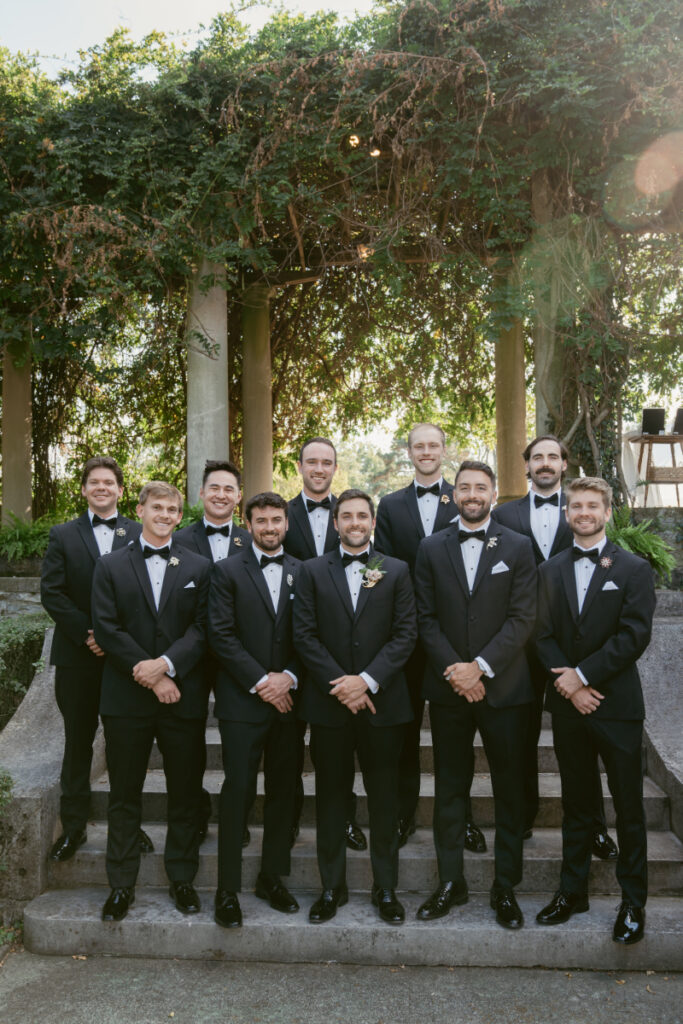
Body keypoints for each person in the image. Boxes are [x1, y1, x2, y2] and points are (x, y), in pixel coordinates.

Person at [415, 461, 537, 929]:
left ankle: (505, 887)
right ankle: (451, 882)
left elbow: (523, 617)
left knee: (508, 790)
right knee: (449, 789)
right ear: (454, 494)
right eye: (463, 487)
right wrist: (457, 672)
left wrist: (481, 668)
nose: (470, 494)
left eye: (479, 487)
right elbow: (425, 617)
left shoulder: (519, 547)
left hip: (504, 688)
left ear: (493, 492)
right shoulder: (430, 547)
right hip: (448, 691)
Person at [535, 477, 655, 945]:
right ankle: (572, 891)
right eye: (576, 506)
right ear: (567, 515)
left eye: (592, 505)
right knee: (577, 805)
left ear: (607, 512)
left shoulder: (634, 569)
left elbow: (633, 636)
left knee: (628, 808)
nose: (583, 512)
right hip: (568, 707)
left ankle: (633, 901)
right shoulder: (550, 571)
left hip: (617, 707)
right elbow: (539, 634)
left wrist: (582, 677)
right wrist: (569, 687)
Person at [293, 489, 416, 925]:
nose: (355, 522)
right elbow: (304, 635)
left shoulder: (395, 570)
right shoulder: (311, 570)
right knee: (330, 799)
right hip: (328, 706)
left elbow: (405, 635)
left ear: (373, 522)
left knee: (384, 800)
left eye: (362, 516)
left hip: (383, 706)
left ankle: (385, 889)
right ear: (335, 523)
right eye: (346, 516)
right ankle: (332, 888)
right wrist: (342, 685)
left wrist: (365, 681)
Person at [492, 435, 617, 860]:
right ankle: (523, 814)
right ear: (525, 465)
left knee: (586, 740)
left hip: (575, 649)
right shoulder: (503, 514)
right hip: (519, 650)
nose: (545, 463)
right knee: (520, 738)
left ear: (564, 465)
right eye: (537, 457)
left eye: (553, 457)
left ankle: (595, 826)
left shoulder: (582, 508)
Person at [92, 481, 211, 922]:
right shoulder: (109, 565)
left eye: (173, 509)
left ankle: (182, 877)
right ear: (139, 509)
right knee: (124, 795)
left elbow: (203, 629)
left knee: (184, 792)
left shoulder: (199, 566)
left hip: (182, 698)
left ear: (180, 516)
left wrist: (165, 666)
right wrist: (148, 673)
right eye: (157, 507)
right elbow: (106, 628)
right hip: (126, 698)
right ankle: (121, 884)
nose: (164, 514)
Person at [374, 423, 486, 853]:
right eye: (418, 446)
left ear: (443, 450)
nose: (426, 451)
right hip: (403, 639)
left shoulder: (464, 500)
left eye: (433, 445)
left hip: (452, 640)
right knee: (403, 734)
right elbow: (379, 565)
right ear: (409, 452)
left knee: (456, 738)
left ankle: (464, 819)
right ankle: (404, 814)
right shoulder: (389, 504)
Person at [40, 456, 152, 862]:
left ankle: (130, 827)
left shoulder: (141, 533)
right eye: (94, 482)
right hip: (79, 657)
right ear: (84, 489)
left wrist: (115, 640)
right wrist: (90, 632)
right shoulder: (63, 535)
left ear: (121, 490)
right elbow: (52, 592)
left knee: (129, 748)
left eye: (109, 482)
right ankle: (73, 828)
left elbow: (148, 597)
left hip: (125, 660)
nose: (102, 488)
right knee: (78, 744)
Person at [208, 492, 301, 928]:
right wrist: (264, 682)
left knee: (284, 791)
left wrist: (290, 678)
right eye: (260, 520)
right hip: (242, 702)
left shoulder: (305, 571)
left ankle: (272, 877)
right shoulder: (226, 571)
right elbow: (221, 635)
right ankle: (227, 890)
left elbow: (316, 636)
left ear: (286, 523)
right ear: (247, 524)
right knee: (238, 791)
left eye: (276, 520)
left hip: (290, 703)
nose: (269, 527)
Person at [284, 438, 366, 852]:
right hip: (288, 644)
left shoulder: (351, 514)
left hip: (340, 649)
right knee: (294, 744)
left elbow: (374, 571)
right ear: (300, 466)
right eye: (312, 461)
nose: (319, 468)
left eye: (327, 462)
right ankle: (293, 817)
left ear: (336, 467)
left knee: (338, 745)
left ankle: (346, 819)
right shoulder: (282, 513)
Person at [174, 459, 251, 844]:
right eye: (214, 488)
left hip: (239, 660)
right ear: (201, 493)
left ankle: (238, 817)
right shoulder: (179, 540)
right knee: (187, 745)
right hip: (192, 659)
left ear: (239, 497)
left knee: (240, 746)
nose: (221, 495)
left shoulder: (253, 541)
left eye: (229, 489)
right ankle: (194, 812)